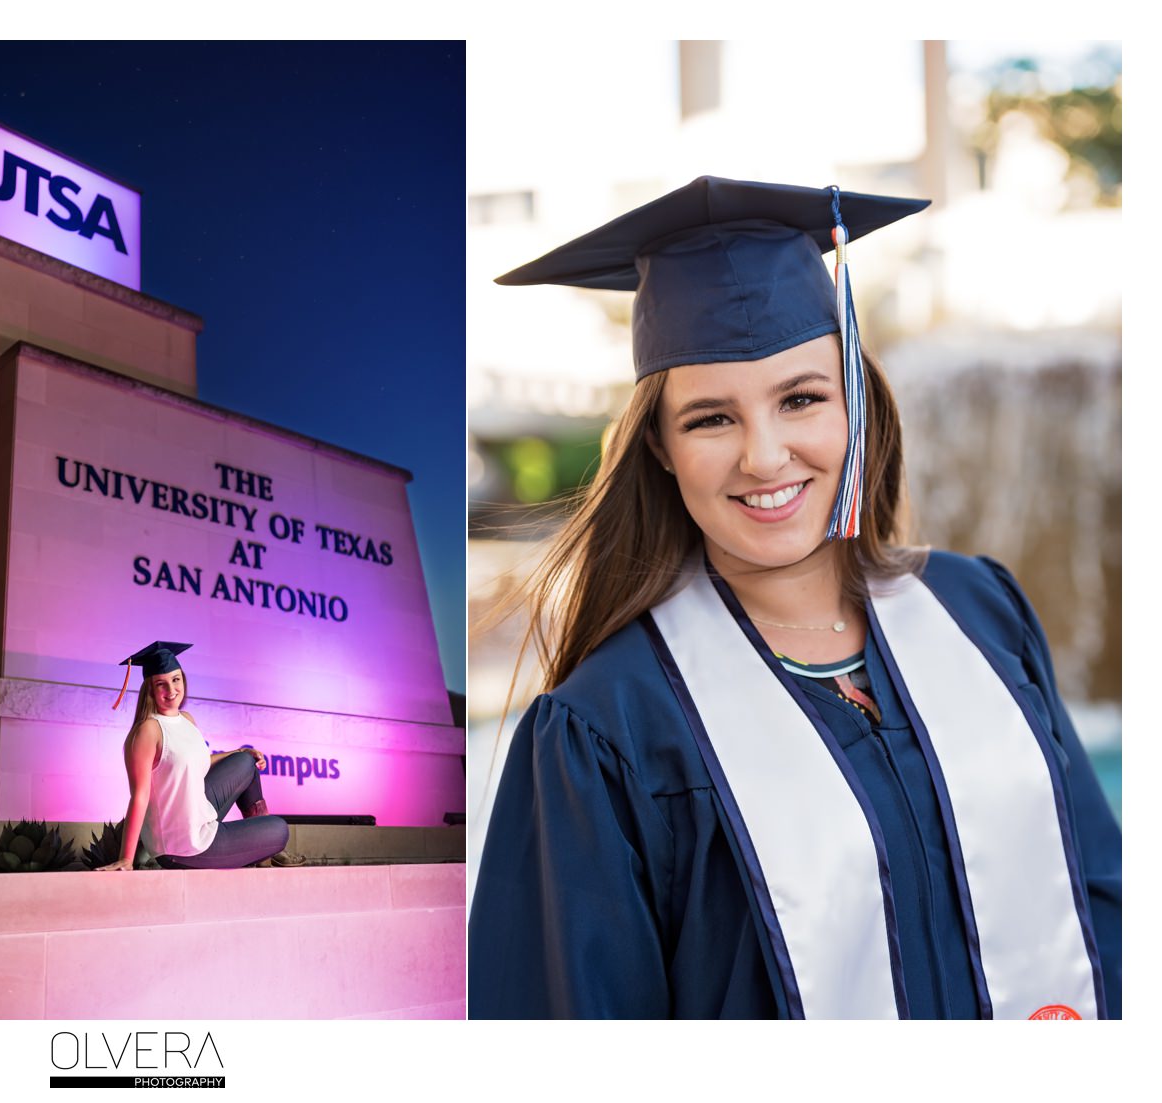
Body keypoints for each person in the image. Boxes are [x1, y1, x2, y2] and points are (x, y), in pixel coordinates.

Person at [467, 178, 1120, 1019]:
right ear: (660, 447)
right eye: (711, 419)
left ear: (853, 399)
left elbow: (1095, 900)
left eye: (801, 398)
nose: (766, 456)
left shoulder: (978, 609)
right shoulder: (608, 732)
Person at [94, 642, 298, 871]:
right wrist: (126, 859)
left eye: (176, 680)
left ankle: (261, 852)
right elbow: (139, 796)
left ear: (183, 679)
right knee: (279, 828)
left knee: (246, 762)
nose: (171, 690)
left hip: (198, 818)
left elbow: (194, 765)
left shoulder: (187, 720)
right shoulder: (148, 731)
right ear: (150, 689)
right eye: (161, 684)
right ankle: (263, 848)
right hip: (185, 847)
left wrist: (238, 752)